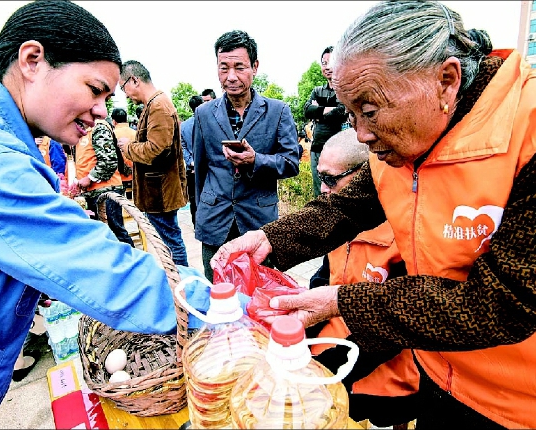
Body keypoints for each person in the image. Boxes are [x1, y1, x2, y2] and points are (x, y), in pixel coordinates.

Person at [211, 1, 536, 428]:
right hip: (440, 373)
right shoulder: (403, 133)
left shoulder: (527, 133)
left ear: (446, 81)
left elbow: (502, 303)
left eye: (369, 111)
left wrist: (340, 302)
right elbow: (350, 203)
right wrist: (271, 239)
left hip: (518, 403)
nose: (362, 135)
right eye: (350, 114)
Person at [0, 1, 200, 427]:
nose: (102, 109)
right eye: (95, 89)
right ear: (32, 61)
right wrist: (233, 309)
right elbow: (107, 273)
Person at [306, 128, 417, 427]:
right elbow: (322, 277)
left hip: (386, 366)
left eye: (331, 180)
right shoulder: (337, 223)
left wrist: (328, 370)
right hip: (332, 346)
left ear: (366, 176)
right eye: (320, 178)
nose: (323, 190)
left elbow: (396, 327)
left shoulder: (406, 234)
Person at [193, 30, 300, 282]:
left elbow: (291, 163)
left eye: (239, 67)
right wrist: (201, 215)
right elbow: (200, 170)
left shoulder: (278, 111)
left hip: (258, 221)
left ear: (255, 66)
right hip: (215, 221)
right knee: (218, 293)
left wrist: (256, 160)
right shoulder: (204, 113)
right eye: (223, 68)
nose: (231, 77)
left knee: (262, 291)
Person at [116, 60, 189, 267]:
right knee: (168, 240)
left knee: (170, 242)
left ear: (134, 80)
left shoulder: (158, 106)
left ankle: (182, 283)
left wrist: (129, 147)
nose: (126, 94)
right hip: (157, 192)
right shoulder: (154, 104)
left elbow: (157, 150)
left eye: (124, 87)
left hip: (161, 193)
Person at [75, 118, 135, 246]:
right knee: (101, 234)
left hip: (107, 190)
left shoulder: (98, 127)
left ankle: (132, 262)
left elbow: (108, 162)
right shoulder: (82, 130)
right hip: (92, 192)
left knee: (116, 232)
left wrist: (89, 178)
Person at [304, 46, 349, 197]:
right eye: (324, 63)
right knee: (319, 193)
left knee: (338, 193)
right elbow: (307, 110)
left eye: (331, 62)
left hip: (340, 151)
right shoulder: (317, 91)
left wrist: (319, 111)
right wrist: (329, 109)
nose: (327, 67)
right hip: (317, 148)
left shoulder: (344, 89)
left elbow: (342, 111)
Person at [181, 95, 204, 225]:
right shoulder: (207, 122)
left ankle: (196, 224)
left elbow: (183, 146)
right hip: (206, 168)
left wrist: (191, 162)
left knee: (194, 197)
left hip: (191, 168)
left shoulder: (184, 125)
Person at [110, 107, 135, 197]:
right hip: (134, 172)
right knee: (132, 200)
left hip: (118, 175)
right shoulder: (135, 133)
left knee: (120, 201)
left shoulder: (112, 134)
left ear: (114, 121)